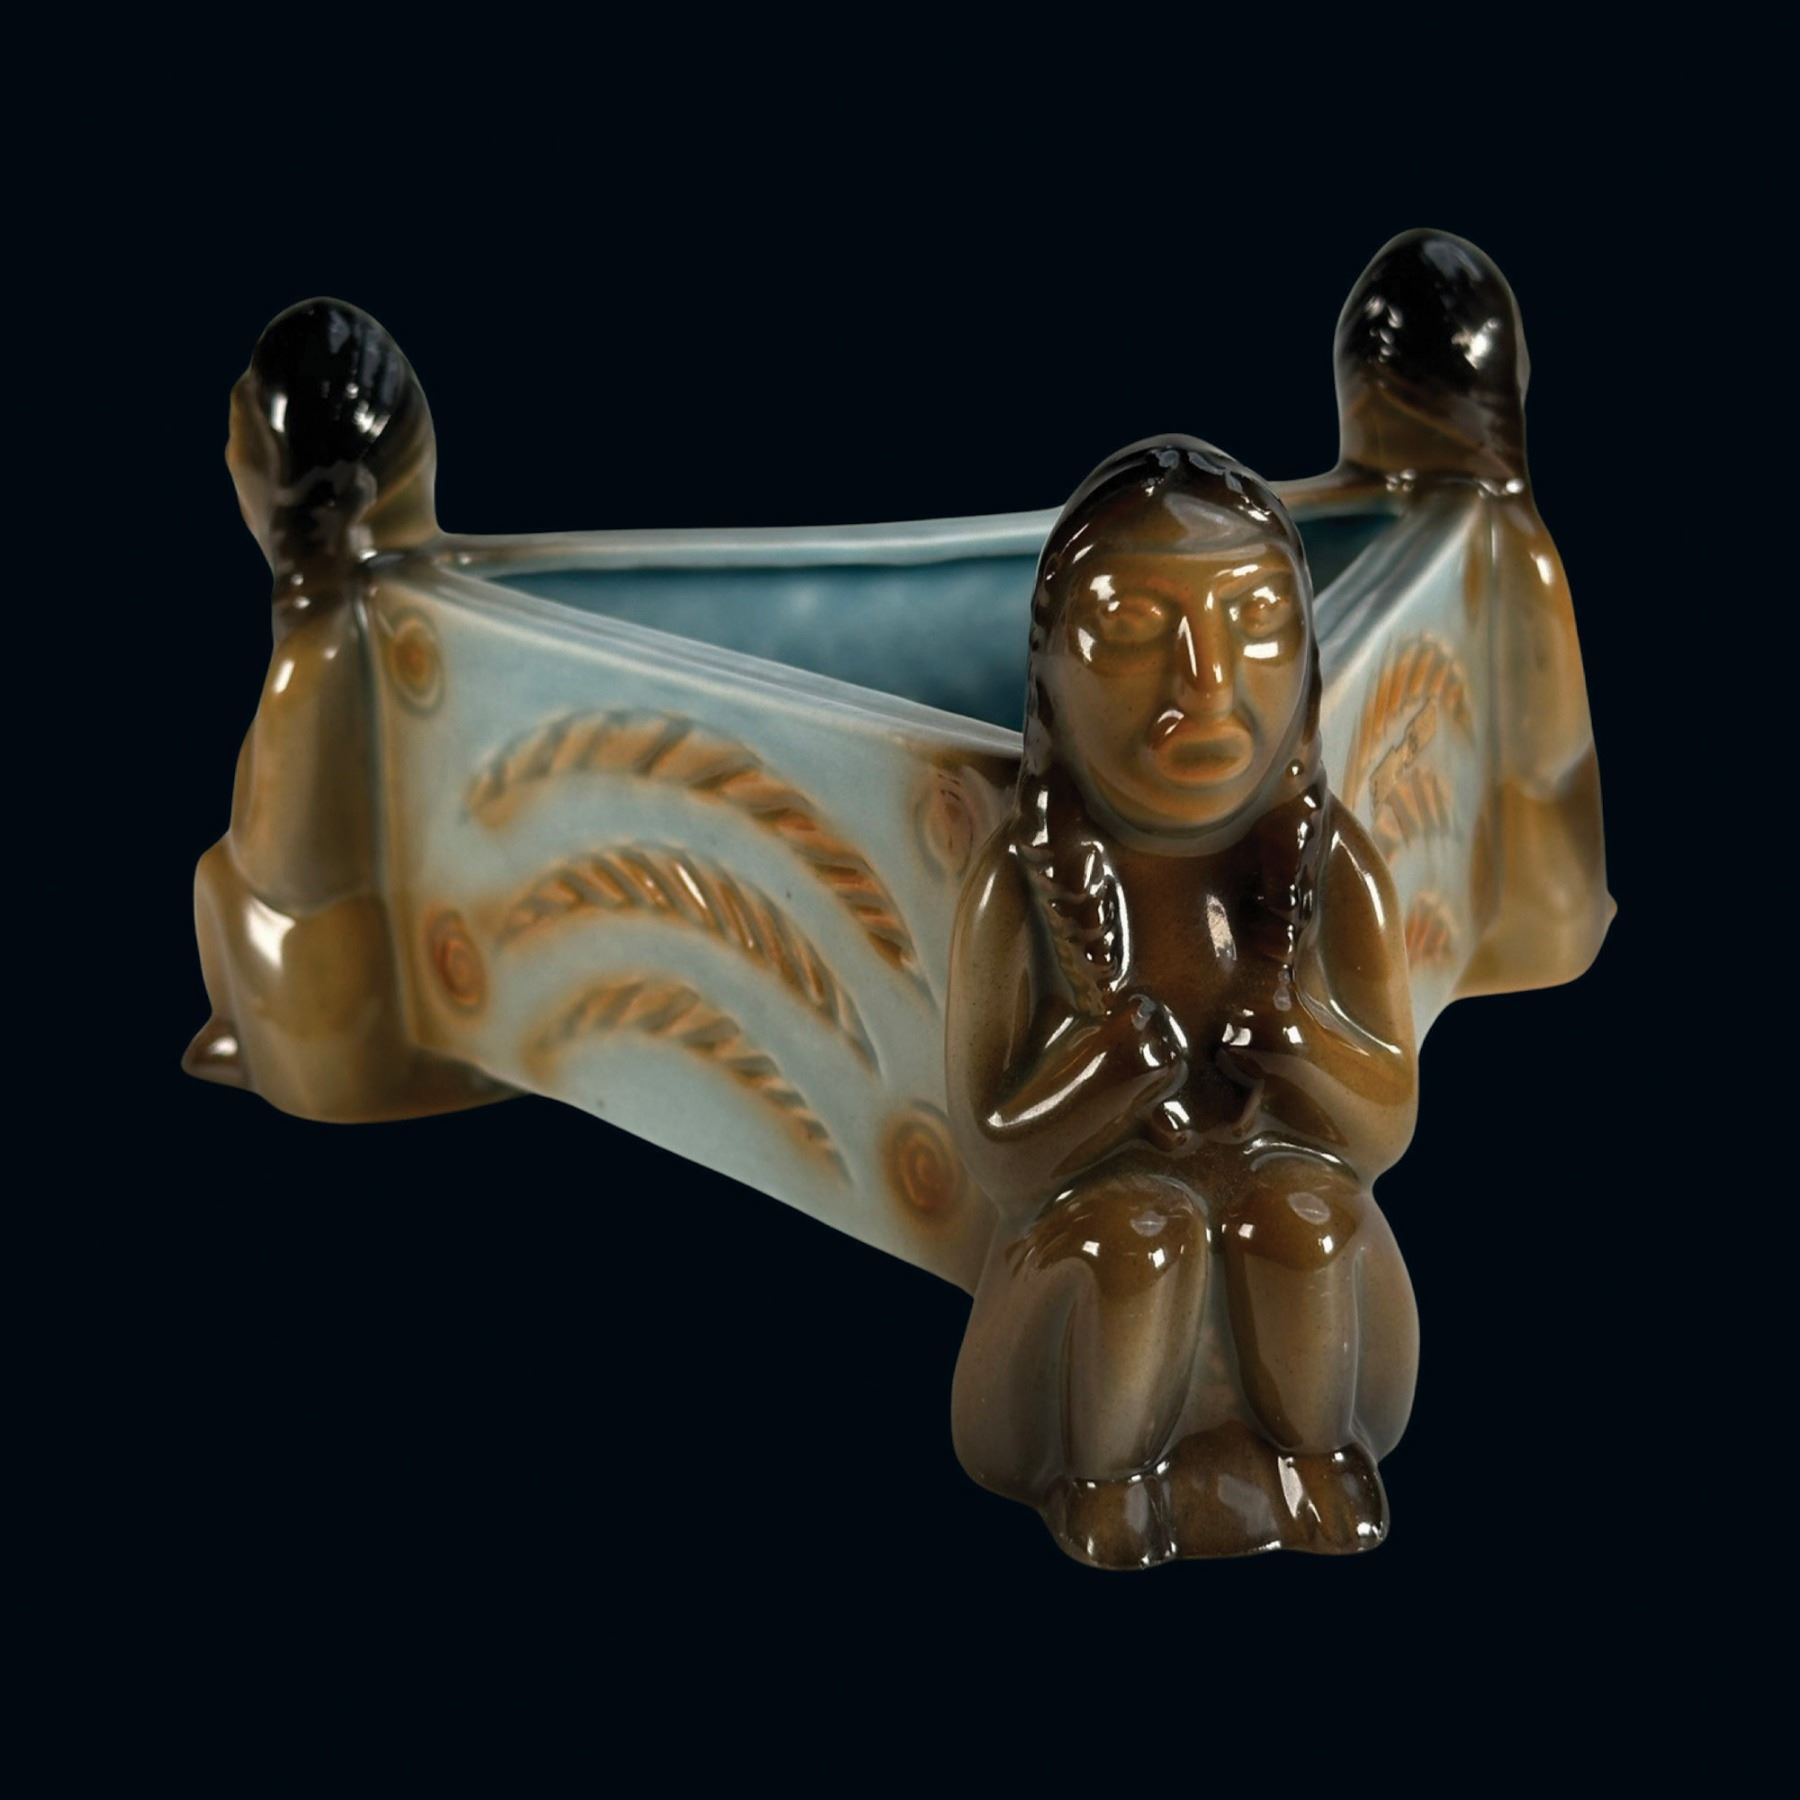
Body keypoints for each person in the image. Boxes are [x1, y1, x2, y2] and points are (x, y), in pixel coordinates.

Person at [946, 437, 1419, 1564]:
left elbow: (1387, 1119)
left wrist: (1300, 1046)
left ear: (1309, 662)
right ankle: (1105, 1476)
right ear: (1049, 677)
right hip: (1085, 1248)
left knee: (1304, 1220)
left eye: (1256, 620)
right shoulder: (1016, 881)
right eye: (1131, 630)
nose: (1206, 684)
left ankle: (1314, 1453)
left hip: (1281, 1188)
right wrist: (1104, 1070)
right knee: (1134, 1238)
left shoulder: (1333, 864)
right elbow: (996, 1152)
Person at [187, 299, 500, 1121]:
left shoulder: (322, 654)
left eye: (239, 449)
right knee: (220, 874)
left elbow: (293, 874)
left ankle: (282, 1051)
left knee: (225, 879)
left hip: (332, 1031)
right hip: (399, 978)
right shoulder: (440, 605)